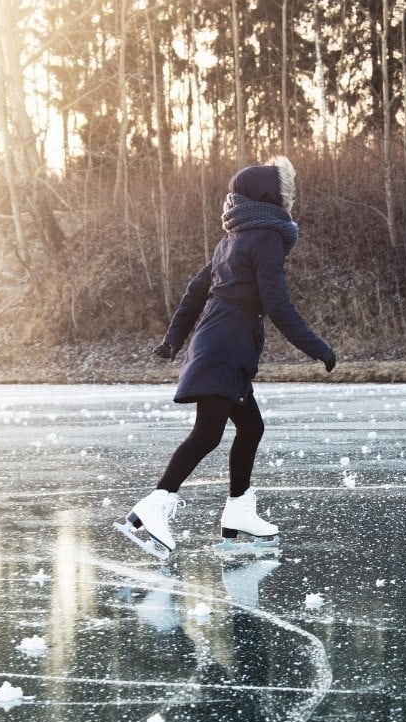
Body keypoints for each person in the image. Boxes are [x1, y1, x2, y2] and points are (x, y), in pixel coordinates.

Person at [117, 156, 336, 560]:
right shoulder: (265, 238)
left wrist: (172, 341)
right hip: (227, 343)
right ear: (275, 199)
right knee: (208, 433)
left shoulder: (231, 241)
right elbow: (277, 303)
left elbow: (194, 292)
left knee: (251, 427)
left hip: (218, 339)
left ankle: (239, 511)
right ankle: (156, 503)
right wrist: (317, 347)